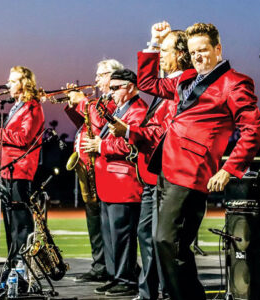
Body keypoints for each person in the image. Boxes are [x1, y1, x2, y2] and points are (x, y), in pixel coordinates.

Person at [137, 22, 260, 300]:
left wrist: (230, 169)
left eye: (203, 50)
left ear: (218, 49)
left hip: (191, 173)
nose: (198, 56)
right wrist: (155, 43)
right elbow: (147, 83)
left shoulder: (234, 83)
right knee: (168, 246)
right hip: (166, 168)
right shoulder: (186, 79)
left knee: (167, 242)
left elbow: (254, 130)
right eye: (193, 52)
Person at [109, 29, 192, 300]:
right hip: (150, 173)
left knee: (160, 238)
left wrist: (130, 132)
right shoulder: (167, 84)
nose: (159, 57)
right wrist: (154, 42)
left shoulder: (181, 87)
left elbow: (162, 131)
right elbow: (147, 81)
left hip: (164, 174)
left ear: (180, 55)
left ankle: (163, 290)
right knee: (147, 235)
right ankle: (150, 292)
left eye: (164, 51)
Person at [83, 69, 148, 297]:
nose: (110, 93)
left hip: (125, 184)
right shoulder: (121, 108)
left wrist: (100, 146)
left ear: (130, 86)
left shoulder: (138, 110)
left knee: (122, 237)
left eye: (115, 88)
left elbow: (133, 144)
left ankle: (126, 278)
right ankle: (116, 275)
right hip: (110, 183)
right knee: (111, 236)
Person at [64, 59, 123, 283]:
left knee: (105, 226)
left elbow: (98, 123)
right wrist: (73, 105)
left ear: (113, 76)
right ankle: (100, 266)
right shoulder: (98, 101)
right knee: (94, 223)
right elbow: (84, 122)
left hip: (103, 169)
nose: (96, 79)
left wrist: (82, 101)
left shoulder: (113, 101)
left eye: (101, 75)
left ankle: (113, 268)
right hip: (90, 168)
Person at [0, 66, 45, 270]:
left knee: (21, 222)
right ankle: (12, 260)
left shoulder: (33, 107)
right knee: (10, 221)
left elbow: (24, 138)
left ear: (24, 83)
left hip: (20, 169)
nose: (8, 84)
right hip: (6, 168)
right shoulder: (17, 105)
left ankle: (23, 265)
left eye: (13, 80)